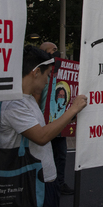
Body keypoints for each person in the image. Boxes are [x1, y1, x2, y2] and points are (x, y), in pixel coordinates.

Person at [0, 46, 87, 207]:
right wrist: (72, 109)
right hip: (25, 186)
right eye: (47, 75)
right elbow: (41, 136)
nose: (49, 81)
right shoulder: (13, 104)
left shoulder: (28, 100)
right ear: (35, 71)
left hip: (46, 183)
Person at [39, 42, 74, 196]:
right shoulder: (41, 74)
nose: (57, 52)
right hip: (43, 121)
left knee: (61, 154)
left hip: (59, 121)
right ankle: (44, 183)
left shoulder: (60, 71)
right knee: (44, 154)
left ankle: (59, 183)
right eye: (52, 50)